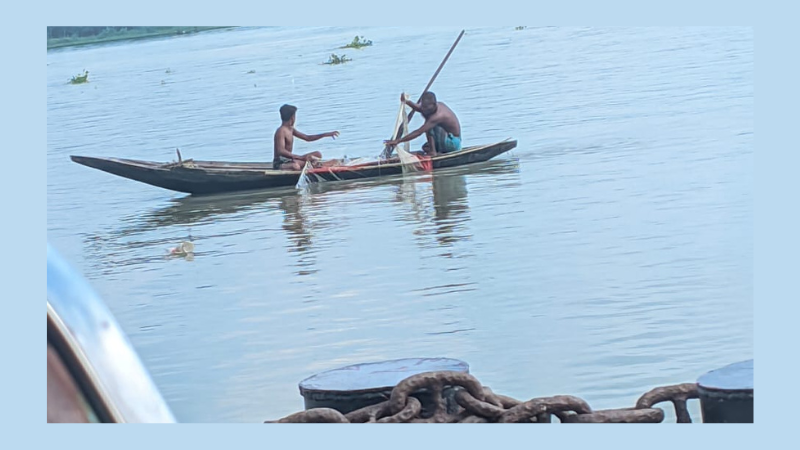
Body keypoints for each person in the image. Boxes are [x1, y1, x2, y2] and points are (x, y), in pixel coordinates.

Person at [383, 91, 461, 156]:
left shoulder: (438, 116)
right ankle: (434, 151)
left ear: (434, 105)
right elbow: (419, 108)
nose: (423, 109)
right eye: (423, 106)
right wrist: (406, 102)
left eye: (425, 107)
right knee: (425, 147)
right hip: (445, 140)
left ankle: (433, 152)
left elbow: (419, 132)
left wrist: (398, 141)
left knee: (429, 125)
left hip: (453, 143)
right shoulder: (432, 107)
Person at [273, 104, 339, 170]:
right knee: (295, 166)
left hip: (291, 160)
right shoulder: (281, 131)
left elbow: (307, 138)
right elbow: (281, 151)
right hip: (280, 163)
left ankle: (314, 164)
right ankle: (315, 164)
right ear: (292, 118)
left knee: (317, 154)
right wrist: (300, 157)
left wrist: (325, 134)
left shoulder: (291, 129)